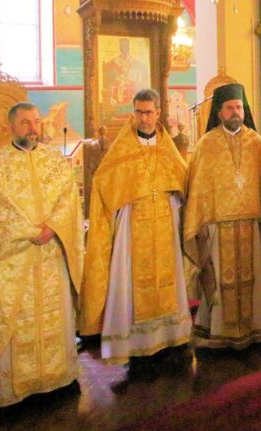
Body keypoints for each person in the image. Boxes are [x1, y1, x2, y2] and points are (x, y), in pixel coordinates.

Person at [0, 102, 83, 408]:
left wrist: (54, 227)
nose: (33, 128)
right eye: (25, 123)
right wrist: (32, 232)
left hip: (50, 255)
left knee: (54, 315)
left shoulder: (56, 162)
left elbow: (69, 199)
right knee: (16, 319)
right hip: (14, 260)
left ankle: (57, 378)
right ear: (11, 127)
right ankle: (12, 391)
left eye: (36, 121)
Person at [82, 88, 191, 364]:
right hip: (133, 226)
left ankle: (169, 337)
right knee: (130, 282)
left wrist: (175, 197)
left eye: (149, 112)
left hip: (165, 224)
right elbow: (104, 183)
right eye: (139, 112)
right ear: (134, 112)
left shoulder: (167, 145)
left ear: (158, 113)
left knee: (169, 280)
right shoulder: (123, 146)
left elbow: (183, 180)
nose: (144, 118)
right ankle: (135, 344)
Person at [184, 83, 261, 350]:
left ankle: (254, 329)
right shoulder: (206, 144)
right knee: (222, 281)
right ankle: (219, 331)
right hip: (218, 226)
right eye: (230, 108)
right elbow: (197, 187)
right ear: (219, 112)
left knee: (251, 280)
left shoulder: (255, 141)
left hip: (250, 223)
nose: (236, 112)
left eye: (239, 107)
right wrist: (200, 222)